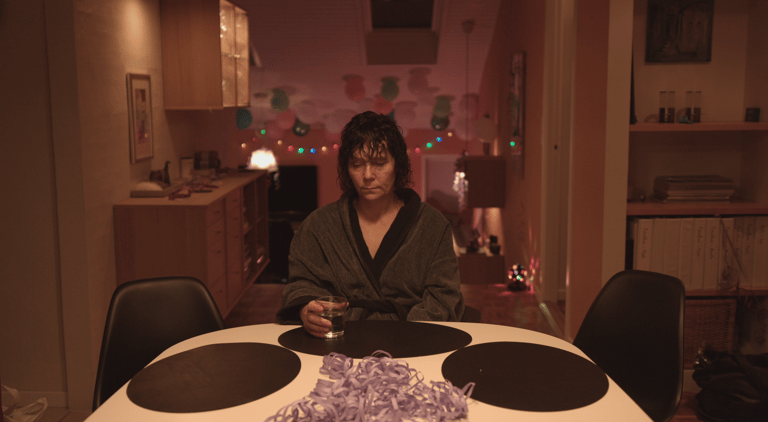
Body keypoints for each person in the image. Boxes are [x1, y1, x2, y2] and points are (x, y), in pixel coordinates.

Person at [276, 111, 465, 337]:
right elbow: (301, 284)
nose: (367, 175)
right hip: (338, 338)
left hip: (412, 340)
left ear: (397, 164)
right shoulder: (318, 226)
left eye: (379, 163)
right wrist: (307, 309)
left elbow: (444, 296)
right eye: (357, 164)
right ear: (346, 168)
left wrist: (406, 337)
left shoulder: (432, 226)